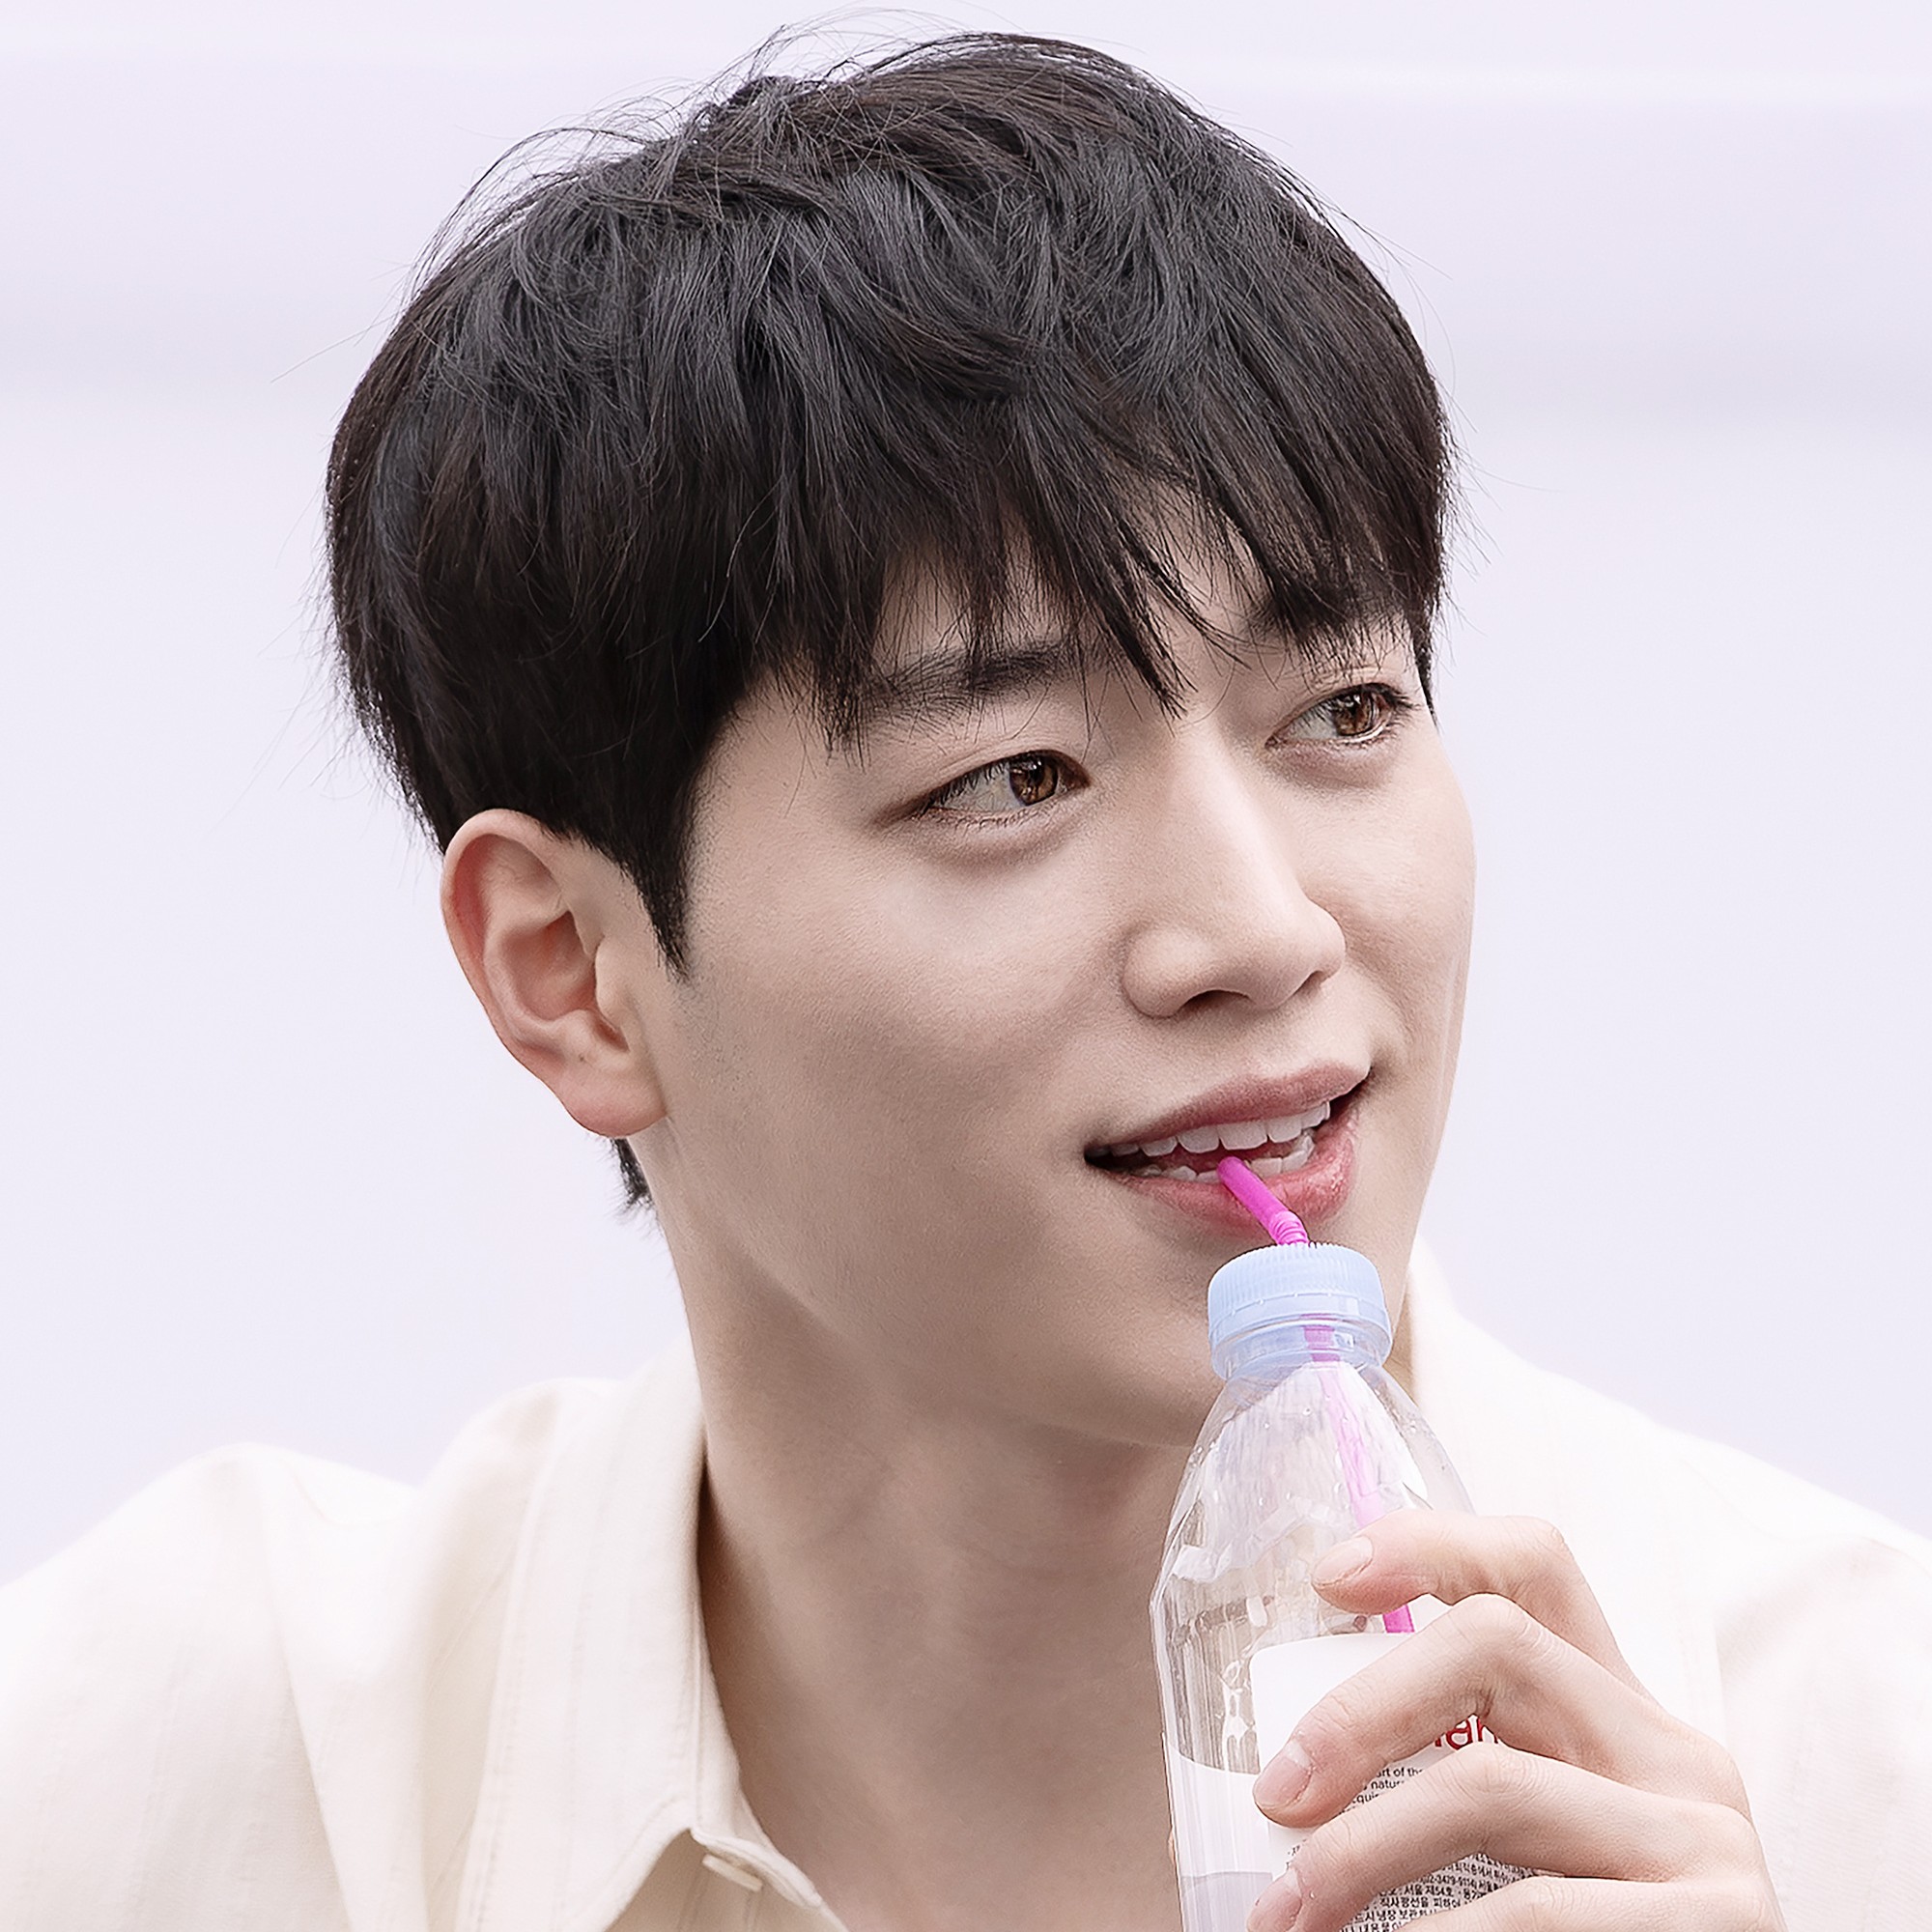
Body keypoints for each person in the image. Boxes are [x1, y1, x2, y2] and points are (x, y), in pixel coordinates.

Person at [2, 32, 1925, 1932]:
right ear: (572, 971)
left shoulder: (1855, 1760)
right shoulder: (176, 1783)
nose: (1262, 930)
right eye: (1013, 778)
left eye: (1344, 710)